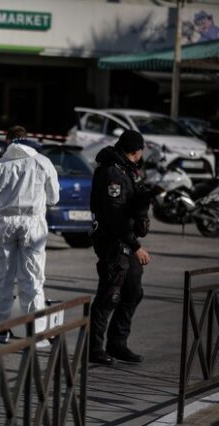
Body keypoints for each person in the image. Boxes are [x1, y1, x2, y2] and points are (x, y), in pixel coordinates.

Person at [0, 125, 60, 344]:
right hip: (33, 223)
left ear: (8, 141)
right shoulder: (42, 162)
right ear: (26, 139)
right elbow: (54, 198)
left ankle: (0, 331)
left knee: (2, 278)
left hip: (5, 221)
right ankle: (37, 334)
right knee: (32, 279)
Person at [88, 130, 156, 365]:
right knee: (109, 295)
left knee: (133, 292)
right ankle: (95, 348)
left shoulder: (126, 169)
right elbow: (114, 216)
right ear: (136, 151)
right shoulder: (112, 173)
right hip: (114, 242)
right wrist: (136, 245)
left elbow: (131, 204)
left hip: (125, 241)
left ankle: (117, 343)